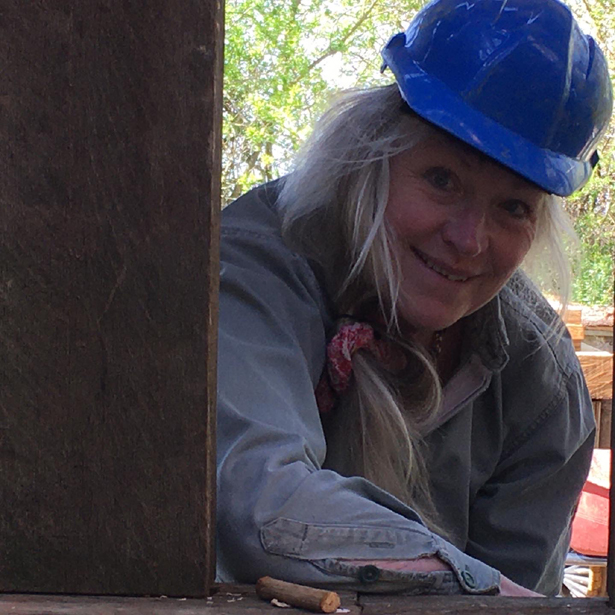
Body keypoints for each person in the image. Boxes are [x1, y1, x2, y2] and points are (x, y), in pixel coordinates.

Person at [216, 0, 613, 598]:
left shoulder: (541, 378)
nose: (468, 241)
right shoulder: (256, 266)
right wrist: (489, 594)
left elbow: (525, 574)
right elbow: (262, 504)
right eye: (442, 179)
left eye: (512, 207)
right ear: (373, 151)